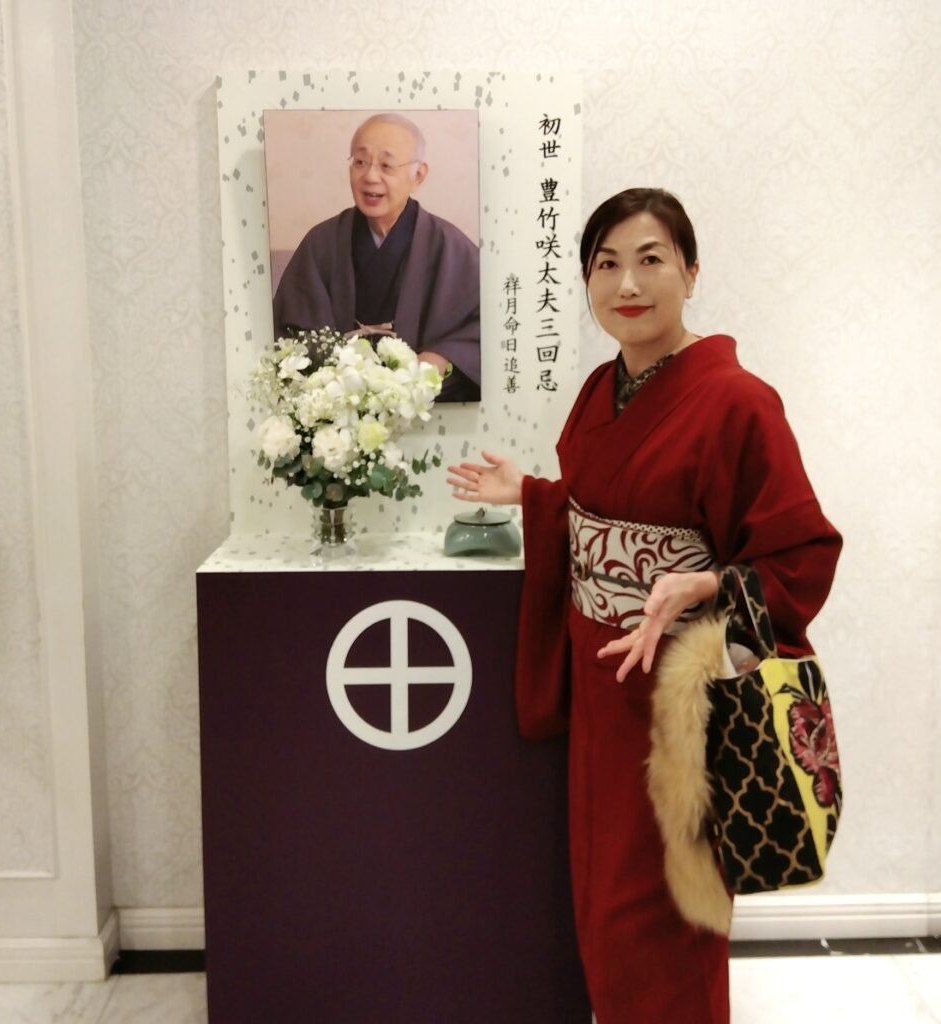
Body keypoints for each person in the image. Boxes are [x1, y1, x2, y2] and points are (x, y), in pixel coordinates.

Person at [447, 188, 841, 1023]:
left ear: (691, 273)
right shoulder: (603, 386)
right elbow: (602, 507)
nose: (627, 283)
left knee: (665, 908)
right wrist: (534, 495)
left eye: (650, 259)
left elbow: (803, 551)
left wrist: (707, 585)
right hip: (603, 687)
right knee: (603, 900)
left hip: (679, 705)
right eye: (606, 264)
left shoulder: (739, 401)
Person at [271, 112, 481, 402]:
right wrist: (335, 377)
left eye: (386, 165)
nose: (370, 176)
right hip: (340, 410)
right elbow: (290, 330)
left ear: (418, 175)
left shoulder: (450, 247)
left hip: (426, 412)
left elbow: (483, 329)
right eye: (360, 162)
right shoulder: (321, 243)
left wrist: (442, 357)